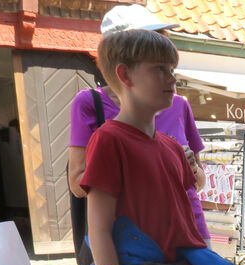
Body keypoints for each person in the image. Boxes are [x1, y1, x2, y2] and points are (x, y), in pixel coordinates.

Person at [80, 29, 227, 265]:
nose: (172, 78)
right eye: (160, 69)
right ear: (125, 75)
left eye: (172, 69)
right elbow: (99, 229)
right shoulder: (109, 141)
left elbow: (188, 229)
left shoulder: (173, 148)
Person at [68, 5, 208, 250]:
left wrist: (189, 166)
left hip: (189, 229)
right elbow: (78, 185)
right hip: (132, 237)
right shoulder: (90, 103)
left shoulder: (178, 104)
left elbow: (198, 183)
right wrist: (138, 164)